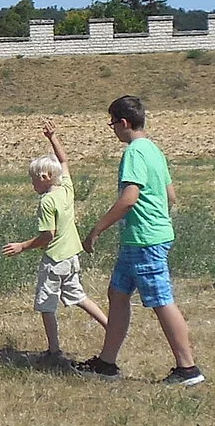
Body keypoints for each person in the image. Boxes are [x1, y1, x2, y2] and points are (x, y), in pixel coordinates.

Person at [80, 96, 205, 386]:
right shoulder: (153, 150)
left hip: (144, 240)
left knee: (162, 300)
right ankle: (107, 363)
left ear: (123, 123)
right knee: (118, 294)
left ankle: (188, 369)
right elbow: (170, 195)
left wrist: (96, 230)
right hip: (140, 239)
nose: (111, 129)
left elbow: (128, 199)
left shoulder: (135, 153)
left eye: (112, 123)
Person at [0, 121, 115, 371]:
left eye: (33, 180)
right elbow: (65, 162)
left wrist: (22, 246)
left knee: (46, 305)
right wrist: (53, 138)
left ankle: (54, 351)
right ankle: (111, 327)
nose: (32, 185)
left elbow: (47, 236)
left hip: (54, 261)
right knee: (78, 296)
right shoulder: (66, 189)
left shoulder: (47, 202)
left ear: (43, 177)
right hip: (72, 257)